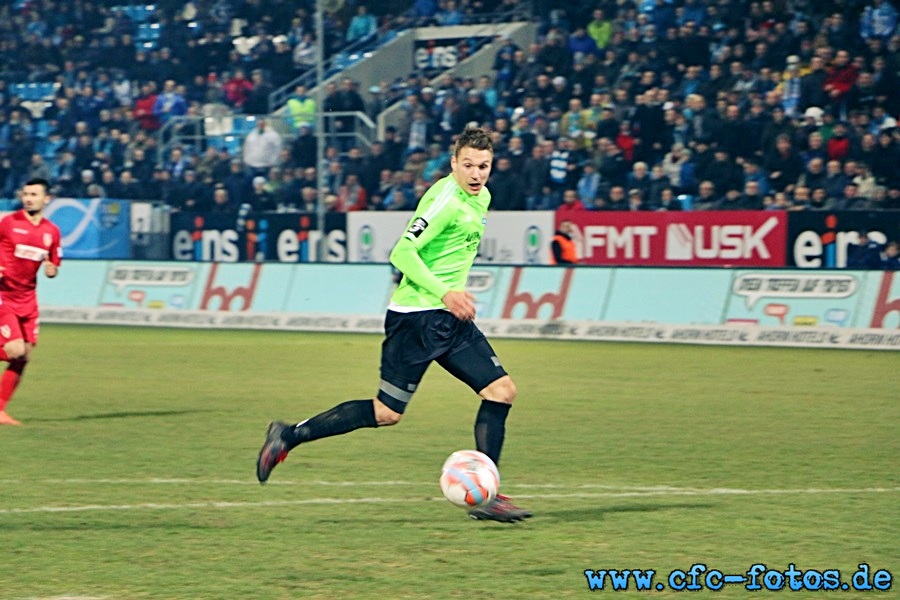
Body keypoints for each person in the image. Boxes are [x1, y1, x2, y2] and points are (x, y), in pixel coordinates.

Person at [256, 128, 531, 523]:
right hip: (415, 319)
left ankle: (485, 495)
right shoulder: (444, 201)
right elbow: (402, 251)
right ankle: (289, 435)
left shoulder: (483, 197)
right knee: (387, 412)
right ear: (453, 164)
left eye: (483, 166)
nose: (475, 174)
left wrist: (449, 300)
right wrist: (444, 293)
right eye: (467, 165)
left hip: (450, 320)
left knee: (502, 391)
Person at [0, 178, 62, 426]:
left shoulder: (51, 232)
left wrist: (52, 270)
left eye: (34, 194)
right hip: (4, 295)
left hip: (28, 299)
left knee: (22, 357)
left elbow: (54, 262)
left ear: (46, 199)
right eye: (25, 194)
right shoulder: (8, 223)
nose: (28, 198)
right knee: (14, 349)